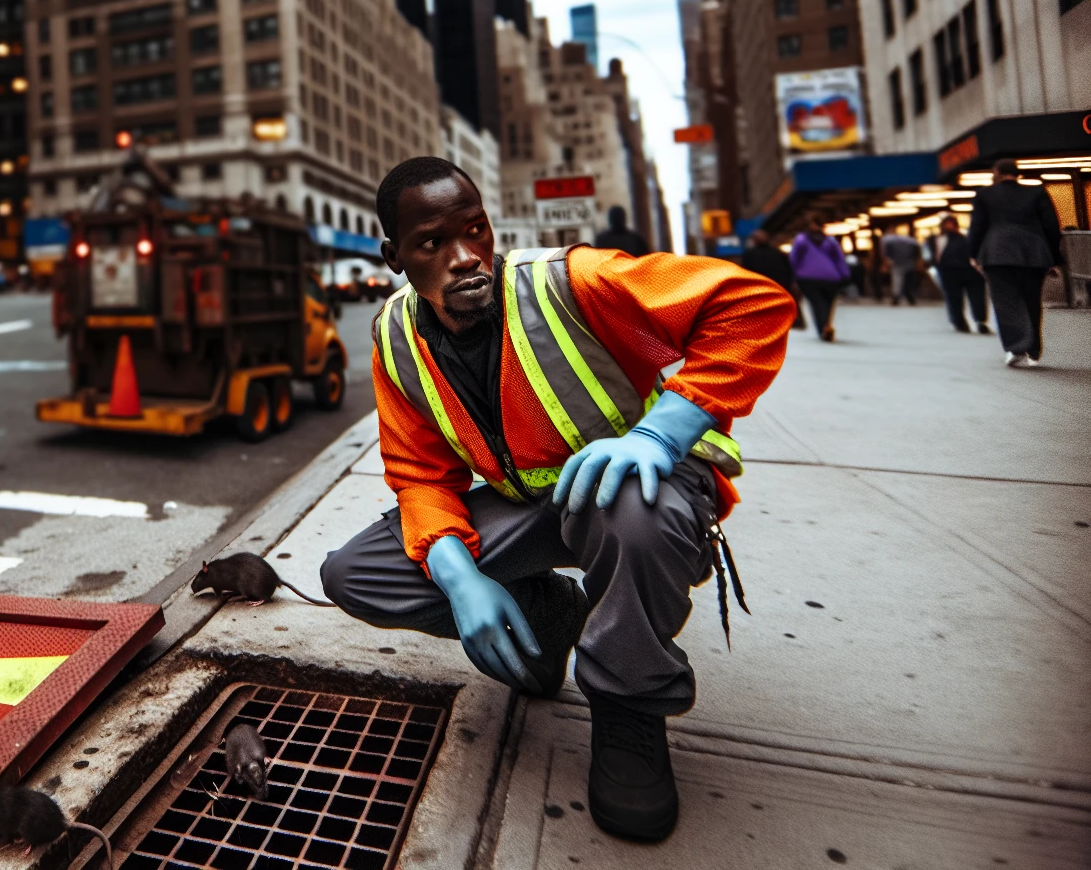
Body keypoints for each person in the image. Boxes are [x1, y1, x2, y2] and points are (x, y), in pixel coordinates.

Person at [320, 157, 794, 843]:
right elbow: (421, 475)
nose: (463, 257)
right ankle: (547, 621)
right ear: (394, 257)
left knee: (628, 504)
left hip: (637, 499)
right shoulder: (395, 334)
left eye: (474, 230)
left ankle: (628, 705)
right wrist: (459, 579)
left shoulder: (569, 283)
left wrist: (660, 436)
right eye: (432, 244)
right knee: (355, 573)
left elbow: (753, 304)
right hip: (537, 510)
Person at [968, 158, 1063, 368]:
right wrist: (1055, 260)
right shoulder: (1036, 192)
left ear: (997, 172)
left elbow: (977, 226)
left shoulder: (985, 194)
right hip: (1033, 253)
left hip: (997, 254)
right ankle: (1034, 351)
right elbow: (1051, 226)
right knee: (1032, 301)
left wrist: (973, 254)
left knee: (1005, 302)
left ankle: (1015, 348)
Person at [788, 214, 850, 341]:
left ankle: (823, 328)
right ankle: (826, 325)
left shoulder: (801, 239)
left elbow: (794, 258)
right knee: (828, 303)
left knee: (817, 303)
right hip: (832, 277)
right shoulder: (830, 241)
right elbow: (839, 259)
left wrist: (793, 272)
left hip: (808, 277)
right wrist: (845, 274)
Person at [925, 215, 990, 335]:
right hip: (949, 272)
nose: (949, 226)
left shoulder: (964, 238)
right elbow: (932, 255)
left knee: (977, 298)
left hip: (970, 272)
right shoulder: (935, 239)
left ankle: (980, 321)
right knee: (953, 298)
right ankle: (958, 322)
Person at [739, 229, 805, 330]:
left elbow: (745, 270)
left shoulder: (749, 254)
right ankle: (794, 321)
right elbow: (788, 267)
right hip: (780, 283)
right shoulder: (777, 252)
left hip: (761, 285)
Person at [880, 229, 922, 306]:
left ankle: (896, 297)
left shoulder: (889, 241)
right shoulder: (910, 241)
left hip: (897, 263)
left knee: (897, 281)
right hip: (909, 263)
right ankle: (909, 297)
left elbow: (886, 253)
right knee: (907, 281)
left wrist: (887, 262)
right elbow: (916, 252)